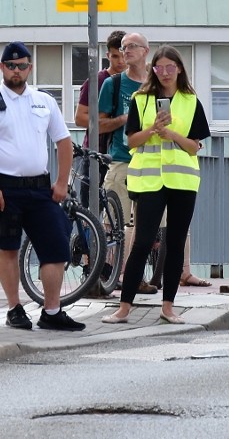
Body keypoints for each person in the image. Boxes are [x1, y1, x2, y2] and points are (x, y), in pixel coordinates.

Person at [0, 42, 86, 332]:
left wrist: (61, 182)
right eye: (11, 65)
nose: (16, 70)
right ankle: (14, 308)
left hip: (41, 188)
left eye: (22, 66)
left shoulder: (45, 101)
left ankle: (52, 311)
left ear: (30, 68)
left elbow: (64, 141)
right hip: (3, 189)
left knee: (56, 247)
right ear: (2, 68)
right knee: (8, 248)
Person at [102, 46, 210, 325]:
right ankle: (124, 307)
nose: (164, 73)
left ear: (179, 70)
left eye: (170, 67)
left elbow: (194, 147)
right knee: (142, 241)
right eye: (159, 67)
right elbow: (131, 141)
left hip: (182, 181)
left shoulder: (190, 101)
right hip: (150, 181)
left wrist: (170, 132)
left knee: (174, 243)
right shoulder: (141, 100)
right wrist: (152, 130)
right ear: (153, 70)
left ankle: (168, 307)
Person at [98, 32, 158, 294]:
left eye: (132, 46)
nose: (126, 51)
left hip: (152, 161)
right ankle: (106, 274)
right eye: (123, 48)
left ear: (146, 50)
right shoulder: (113, 84)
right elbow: (98, 124)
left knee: (146, 224)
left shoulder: (159, 83)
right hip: (122, 159)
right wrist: (124, 120)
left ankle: (135, 277)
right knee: (112, 221)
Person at [73, 30, 126, 207]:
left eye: (123, 56)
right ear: (107, 55)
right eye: (115, 56)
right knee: (89, 209)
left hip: (122, 155)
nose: (120, 62)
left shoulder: (135, 81)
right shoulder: (97, 81)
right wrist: (113, 122)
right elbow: (80, 118)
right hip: (96, 153)